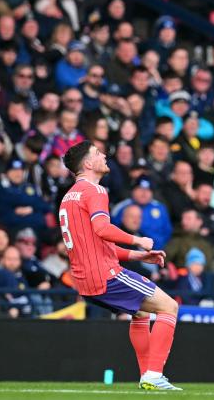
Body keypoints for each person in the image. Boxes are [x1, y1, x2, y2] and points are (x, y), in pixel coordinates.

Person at [60, 141, 181, 390]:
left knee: (141, 313)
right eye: (97, 153)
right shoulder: (95, 191)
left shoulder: (68, 198)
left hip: (85, 281)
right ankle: (153, 375)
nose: (103, 155)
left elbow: (94, 245)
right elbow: (102, 229)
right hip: (105, 275)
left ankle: (146, 376)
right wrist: (139, 240)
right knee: (169, 306)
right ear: (88, 164)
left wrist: (137, 256)